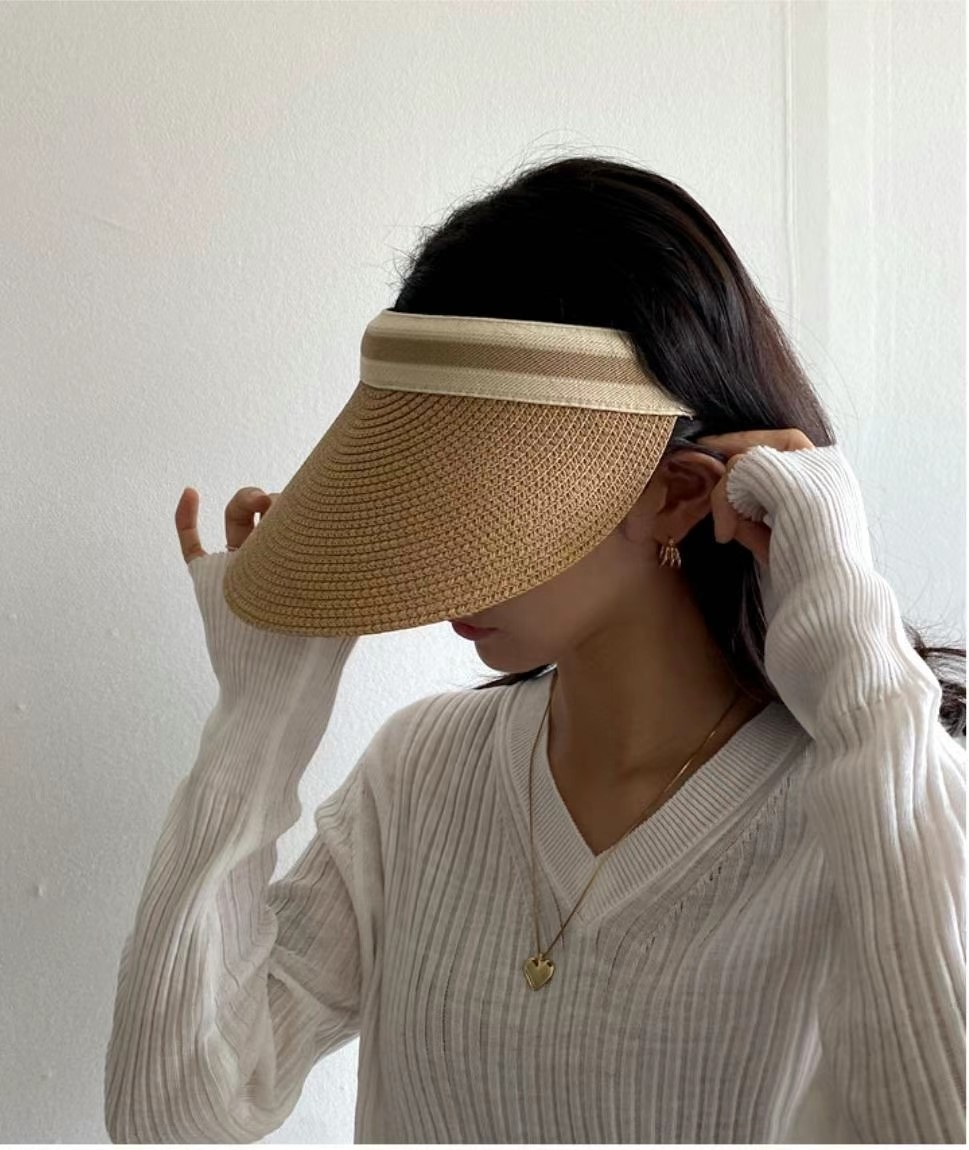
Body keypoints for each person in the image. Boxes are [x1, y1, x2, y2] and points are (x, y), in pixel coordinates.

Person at [103, 158, 966, 1144]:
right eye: (415, 487)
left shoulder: (875, 800)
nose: (430, 552)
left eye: (482, 498)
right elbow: (171, 1114)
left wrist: (853, 658)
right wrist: (260, 710)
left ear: (678, 495)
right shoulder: (421, 774)